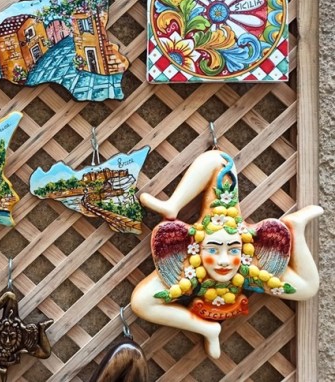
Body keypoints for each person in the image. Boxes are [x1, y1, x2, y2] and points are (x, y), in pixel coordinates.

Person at [131, 150, 320, 358]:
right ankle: (208, 329)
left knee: (307, 289)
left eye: (233, 250)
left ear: (247, 247)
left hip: (241, 258)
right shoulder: (188, 269)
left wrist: (295, 232)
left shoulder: (252, 267)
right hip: (200, 266)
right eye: (212, 250)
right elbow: (143, 304)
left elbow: (308, 286)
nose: (224, 261)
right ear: (190, 247)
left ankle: (294, 226)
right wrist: (206, 328)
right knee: (141, 301)